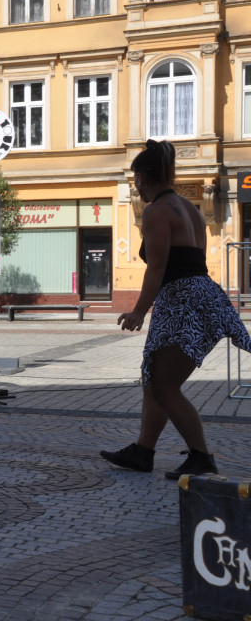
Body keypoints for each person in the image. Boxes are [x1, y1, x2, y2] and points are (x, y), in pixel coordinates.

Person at [101, 139, 251, 479]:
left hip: (181, 300)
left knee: (164, 386)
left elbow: (158, 267)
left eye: (135, 177)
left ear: (142, 177)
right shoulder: (190, 209)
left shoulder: (157, 212)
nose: (134, 183)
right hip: (198, 296)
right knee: (154, 379)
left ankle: (201, 457)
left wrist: (139, 310)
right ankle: (143, 450)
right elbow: (190, 260)